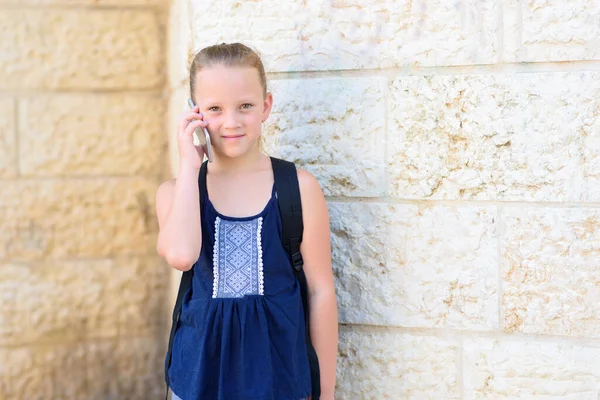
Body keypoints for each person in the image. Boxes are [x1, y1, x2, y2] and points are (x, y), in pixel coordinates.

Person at [155, 42, 338, 400]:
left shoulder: (298, 188)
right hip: (197, 382)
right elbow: (181, 255)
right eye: (214, 109)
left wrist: (326, 392)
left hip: (280, 380)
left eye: (245, 106)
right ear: (195, 113)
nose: (231, 121)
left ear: (266, 106)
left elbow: (321, 292)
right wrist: (190, 165)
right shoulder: (176, 192)